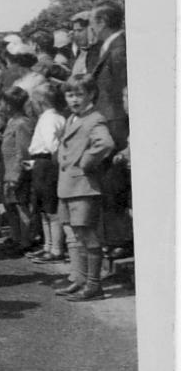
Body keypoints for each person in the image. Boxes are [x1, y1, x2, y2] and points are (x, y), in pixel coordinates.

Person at [54, 73, 116, 301]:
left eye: (79, 94)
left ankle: (94, 285)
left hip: (83, 186)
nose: (74, 99)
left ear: (91, 94)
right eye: (69, 94)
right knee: (76, 234)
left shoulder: (94, 119)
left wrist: (86, 162)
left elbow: (106, 143)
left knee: (87, 235)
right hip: (68, 186)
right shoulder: (73, 118)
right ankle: (80, 279)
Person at [87, 2, 131, 256]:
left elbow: (124, 92)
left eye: (93, 22)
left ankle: (120, 241)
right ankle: (113, 238)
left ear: (102, 22)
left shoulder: (119, 50)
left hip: (116, 126)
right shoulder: (109, 47)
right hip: (108, 124)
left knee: (114, 184)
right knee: (107, 184)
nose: (92, 27)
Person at [25, 82, 67, 264]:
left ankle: (55, 248)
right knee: (43, 208)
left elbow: (52, 144)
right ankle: (48, 246)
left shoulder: (48, 119)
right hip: (41, 162)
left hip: (47, 164)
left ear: (40, 102)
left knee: (50, 208)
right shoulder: (56, 117)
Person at [0, 86, 36, 253]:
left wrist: (17, 175)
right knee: (10, 207)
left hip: (17, 173)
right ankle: (16, 237)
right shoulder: (11, 121)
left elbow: (24, 152)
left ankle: (25, 241)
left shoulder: (22, 123)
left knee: (21, 207)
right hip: (7, 172)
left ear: (8, 104)